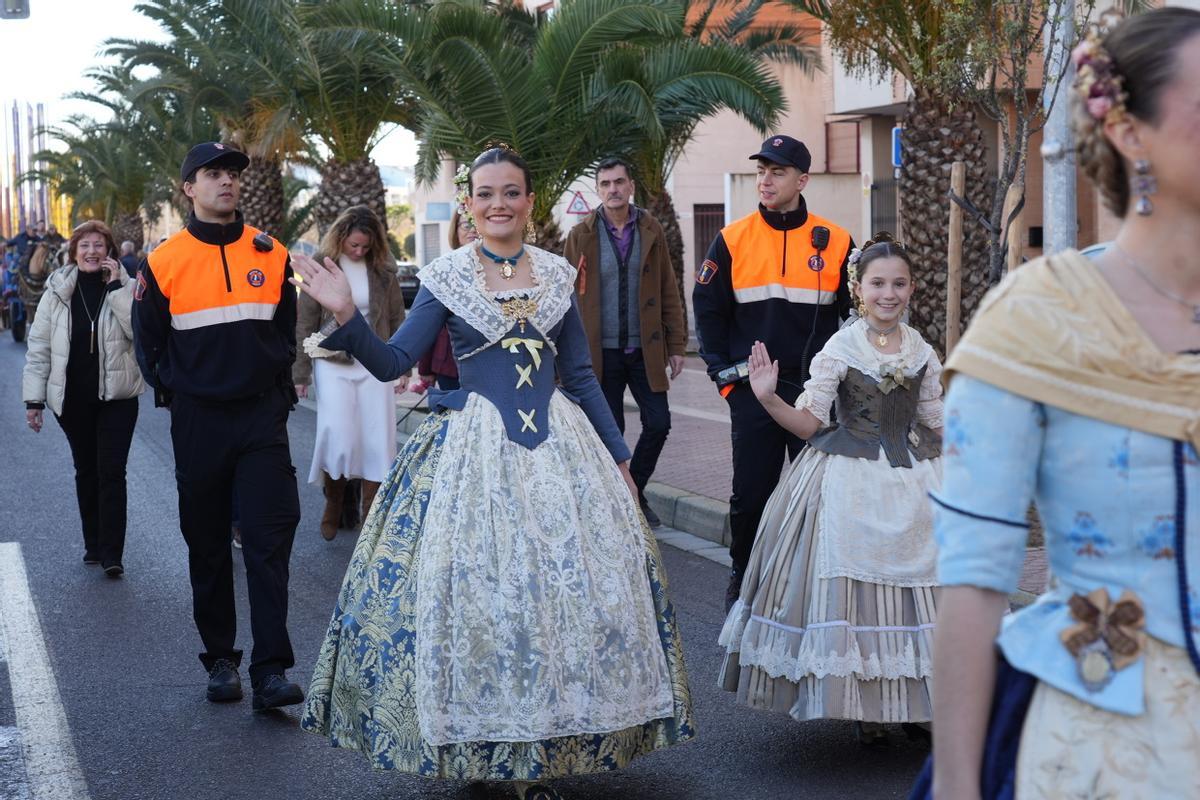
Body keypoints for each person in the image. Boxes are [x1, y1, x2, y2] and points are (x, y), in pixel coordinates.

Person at [294, 147, 694, 799]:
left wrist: (619, 460)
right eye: (485, 193)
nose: (498, 204)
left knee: (555, 599)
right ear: (469, 204)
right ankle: (483, 742)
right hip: (471, 457)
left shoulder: (558, 275)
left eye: (511, 192)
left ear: (530, 202)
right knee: (483, 598)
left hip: (560, 452)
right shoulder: (447, 277)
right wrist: (345, 313)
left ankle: (541, 748)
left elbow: (580, 375)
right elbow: (393, 363)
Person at [911, 9, 1200, 799]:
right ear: (1130, 132)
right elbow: (975, 581)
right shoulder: (1039, 318)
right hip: (1103, 743)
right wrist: (958, 787)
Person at [718, 233, 942, 745]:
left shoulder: (922, 348)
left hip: (915, 476)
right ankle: (867, 705)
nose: (888, 294)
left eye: (899, 284)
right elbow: (809, 423)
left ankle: (918, 704)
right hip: (849, 478)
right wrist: (768, 398)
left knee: (925, 589)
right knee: (856, 597)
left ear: (911, 288)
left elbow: (934, 421)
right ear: (858, 289)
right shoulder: (841, 346)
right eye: (878, 283)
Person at [132, 142, 304, 711]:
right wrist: (179, 391)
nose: (226, 181)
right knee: (206, 543)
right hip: (199, 420)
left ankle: (271, 670)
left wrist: (273, 389)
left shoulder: (271, 253)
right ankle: (222, 661)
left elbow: (285, 332)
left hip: (260, 418)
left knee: (267, 541)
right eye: (213, 174)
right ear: (189, 188)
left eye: (232, 173)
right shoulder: (163, 260)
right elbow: (148, 341)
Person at [693, 135, 855, 609]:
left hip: (815, 393)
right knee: (750, 495)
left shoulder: (837, 240)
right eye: (762, 170)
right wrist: (724, 378)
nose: (765, 180)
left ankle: (816, 587)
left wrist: (841, 383)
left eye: (777, 172)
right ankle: (743, 579)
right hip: (753, 391)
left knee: (818, 494)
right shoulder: (731, 239)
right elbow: (708, 310)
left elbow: (853, 318)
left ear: (802, 180)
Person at [564, 157, 688, 529]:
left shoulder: (651, 228)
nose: (613, 189)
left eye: (619, 182)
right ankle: (624, 504)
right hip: (600, 354)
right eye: (605, 184)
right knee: (610, 431)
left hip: (645, 350)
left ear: (631, 186)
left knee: (659, 423)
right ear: (597, 190)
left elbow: (668, 287)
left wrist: (676, 344)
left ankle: (636, 490)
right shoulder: (581, 234)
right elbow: (564, 296)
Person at [22, 220, 143, 577]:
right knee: (86, 469)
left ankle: (112, 553)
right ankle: (93, 542)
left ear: (110, 252)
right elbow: (39, 347)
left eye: (99, 245)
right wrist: (34, 401)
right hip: (73, 399)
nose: (92, 251)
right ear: (73, 252)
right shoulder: (57, 291)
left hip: (118, 398)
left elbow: (139, 332)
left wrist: (117, 287)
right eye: (85, 245)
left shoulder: (127, 287)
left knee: (112, 471)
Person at [293, 205, 406, 541]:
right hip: (332, 362)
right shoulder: (321, 267)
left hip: (376, 361)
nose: (359, 251)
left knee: (378, 436)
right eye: (354, 245)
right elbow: (304, 323)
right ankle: (335, 501)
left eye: (365, 246)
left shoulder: (383, 269)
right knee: (338, 434)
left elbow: (398, 318)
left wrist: (403, 366)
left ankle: (371, 514)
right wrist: (300, 374)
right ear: (340, 238)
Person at [415, 207, 472, 392]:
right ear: (456, 230)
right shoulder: (443, 270)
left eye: (477, 224)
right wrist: (425, 369)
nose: (472, 230)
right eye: (466, 225)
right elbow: (427, 325)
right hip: (448, 366)